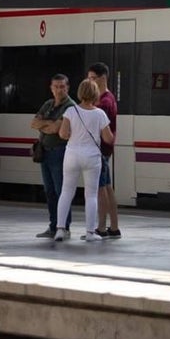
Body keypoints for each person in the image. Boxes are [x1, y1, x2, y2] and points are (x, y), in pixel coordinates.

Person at [53, 79, 114, 242]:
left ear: (80, 93)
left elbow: (62, 134)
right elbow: (108, 138)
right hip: (92, 158)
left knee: (66, 192)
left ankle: (60, 229)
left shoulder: (70, 111)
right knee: (91, 195)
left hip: (72, 155)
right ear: (95, 94)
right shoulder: (100, 114)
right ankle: (89, 232)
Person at [30, 74, 76, 238]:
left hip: (60, 152)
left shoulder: (70, 106)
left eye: (62, 87)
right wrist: (48, 124)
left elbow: (56, 129)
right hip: (45, 152)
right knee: (49, 191)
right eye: (56, 86)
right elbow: (33, 123)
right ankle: (53, 226)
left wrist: (45, 124)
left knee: (61, 190)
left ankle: (64, 226)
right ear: (51, 88)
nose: (59, 90)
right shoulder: (48, 104)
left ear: (68, 87)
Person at [87, 62, 121, 239]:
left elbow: (99, 129)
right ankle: (114, 227)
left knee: (101, 189)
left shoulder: (104, 103)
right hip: (105, 150)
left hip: (100, 151)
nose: (90, 82)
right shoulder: (108, 98)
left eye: (93, 78)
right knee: (107, 188)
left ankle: (101, 227)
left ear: (103, 78)